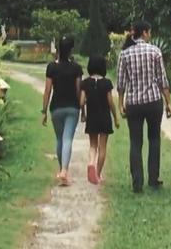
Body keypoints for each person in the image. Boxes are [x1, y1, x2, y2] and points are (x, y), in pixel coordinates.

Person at [116, 20, 171, 192]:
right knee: (154, 139)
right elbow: (162, 80)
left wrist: (120, 103)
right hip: (153, 100)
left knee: (135, 141)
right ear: (145, 33)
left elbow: (121, 82)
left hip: (134, 103)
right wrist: (168, 102)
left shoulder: (124, 54)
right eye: (150, 32)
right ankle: (153, 179)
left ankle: (137, 183)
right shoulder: (155, 51)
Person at [42, 36, 83, 186]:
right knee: (67, 139)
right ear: (71, 50)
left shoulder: (51, 67)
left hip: (56, 108)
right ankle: (64, 171)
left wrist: (44, 111)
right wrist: (82, 108)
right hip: (72, 107)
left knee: (60, 139)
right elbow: (79, 91)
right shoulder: (76, 68)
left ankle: (62, 169)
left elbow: (47, 91)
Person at [80, 55, 120, 184]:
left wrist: (83, 113)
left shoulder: (85, 83)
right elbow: (110, 102)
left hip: (92, 117)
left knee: (93, 145)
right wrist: (115, 117)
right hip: (104, 118)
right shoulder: (107, 83)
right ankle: (97, 174)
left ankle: (91, 163)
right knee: (103, 147)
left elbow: (81, 102)